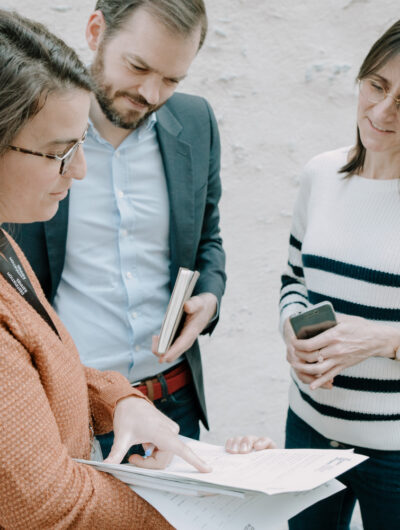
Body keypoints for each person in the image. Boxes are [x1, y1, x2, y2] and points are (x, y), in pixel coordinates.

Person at [0, 9, 211, 529]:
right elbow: (47, 506)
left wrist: (116, 397)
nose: (81, 169)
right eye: (59, 152)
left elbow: (39, 355)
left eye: (172, 78)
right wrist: (201, 509)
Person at [232, 19, 400, 530]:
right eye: (377, 85)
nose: (382, 110)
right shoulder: (320, 174)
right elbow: (293, 280)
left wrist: (381, 340)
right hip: (306, 429)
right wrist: (292, 330)